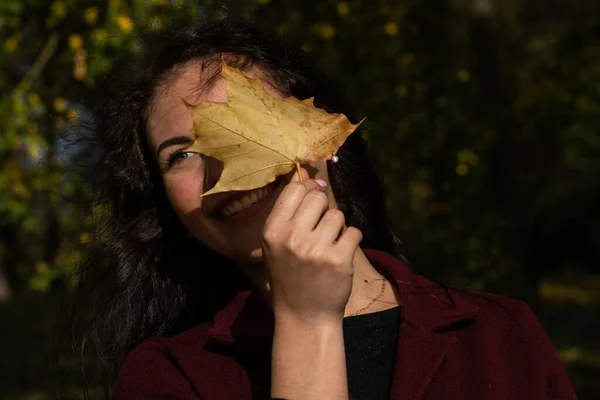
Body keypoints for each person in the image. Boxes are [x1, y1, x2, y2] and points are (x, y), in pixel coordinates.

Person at [71, 19, 577, 400]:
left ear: (321, 131)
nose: (220, 166)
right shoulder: (170, 378)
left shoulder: (501, 335)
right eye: (180, 154)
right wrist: (306, 323)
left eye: (238, 122)